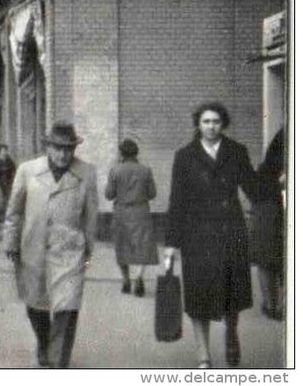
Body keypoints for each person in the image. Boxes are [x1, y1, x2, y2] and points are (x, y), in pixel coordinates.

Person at [164, 102, 262, 369]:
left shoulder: (236, 152)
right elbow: (177, 201)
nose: (211, 126)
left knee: (232, 293)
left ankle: (231, 335)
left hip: (231, 232)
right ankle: (203, 355)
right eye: (206, 121)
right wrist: (171, 243)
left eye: (216, 121)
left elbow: (253, 188)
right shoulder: (184, 156)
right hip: (196, 237)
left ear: (223, 124)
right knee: (199, 296)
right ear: (198, 124)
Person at [2, 121, 99, 370]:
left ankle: (58, 365)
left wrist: (88, 250)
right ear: (48, 147)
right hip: (33, 248)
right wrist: (11, 242)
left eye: (69, 148)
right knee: (36, 305)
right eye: (58, 148)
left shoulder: (86, 173)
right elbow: (14, 211)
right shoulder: (27, 170)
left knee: (67, 308)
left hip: (70, 251)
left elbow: (91, 215)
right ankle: (44, 344)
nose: (63, 154)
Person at [105, 138, 158, 296]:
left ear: (121, 153)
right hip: (141, 212)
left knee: (122, 246)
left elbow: (109, 195)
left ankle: (126, 280)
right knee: (142, 247)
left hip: (122, 212)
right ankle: (139, 278)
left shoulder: (115, 170)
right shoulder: (146, 170)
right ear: (136, 153)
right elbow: (152, 194)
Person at [251, 125, 286, 320]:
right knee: (269, 256)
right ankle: (272, 304)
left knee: (270, 257)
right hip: (270, 205)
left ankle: (273, 304)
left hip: (270, 205)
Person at [0, 144, 17, 222]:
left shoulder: (9, 160)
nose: (5, 152)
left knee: (7, 199)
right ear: (0, 151)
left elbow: (14, 169)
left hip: (8, 182)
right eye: (3, 150)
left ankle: (5, 215)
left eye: (6, 150)